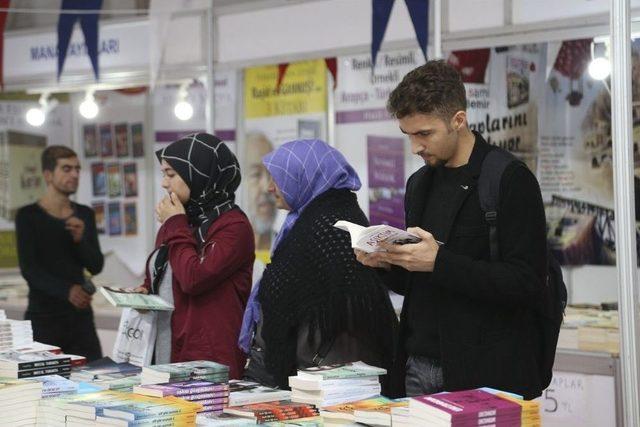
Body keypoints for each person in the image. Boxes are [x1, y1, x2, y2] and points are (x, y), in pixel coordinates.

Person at [355, 60, 548, 399]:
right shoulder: (419, 184)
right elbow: (418, 283)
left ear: (458, 120)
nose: (415, 147)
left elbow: (526, 282)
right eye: (409, 135)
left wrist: (439, 261)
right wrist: (386, 263)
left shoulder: (509, 179)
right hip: (418, 365)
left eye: (424, 134)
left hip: (487, 371)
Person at [241, 139, 398, 390]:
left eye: (278, 179)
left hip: (328, 376)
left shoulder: (328, 225)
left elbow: (283, 293)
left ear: (304, 177)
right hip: (323, 367)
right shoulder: (312, 217)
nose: (271, 188)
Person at [136, 133, 254, 379]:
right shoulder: (180, 222)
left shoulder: (233, 226)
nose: (164, 184)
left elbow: (193, 277)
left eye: (171, 174)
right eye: (163, 174)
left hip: (208, 359)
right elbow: (169, 274)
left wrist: (175, 223)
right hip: (168, 349)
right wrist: (147, 293)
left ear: (199, 174)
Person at [16, 146, 104, 361]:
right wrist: (67, 291)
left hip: (81, 320)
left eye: (77, 169)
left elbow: (95, 265)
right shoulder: (28, 216)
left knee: (95, 380)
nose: (74, 174)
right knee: (43, 387)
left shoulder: (85, 214)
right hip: (44, 318)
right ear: (48, 175)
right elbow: (30, 269)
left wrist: (81, 240)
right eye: (66, 169)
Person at [244, 132, 276, 252]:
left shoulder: (290, 247)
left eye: (272, 174)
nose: (267, 187)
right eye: (256, 174)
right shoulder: (225, 251)